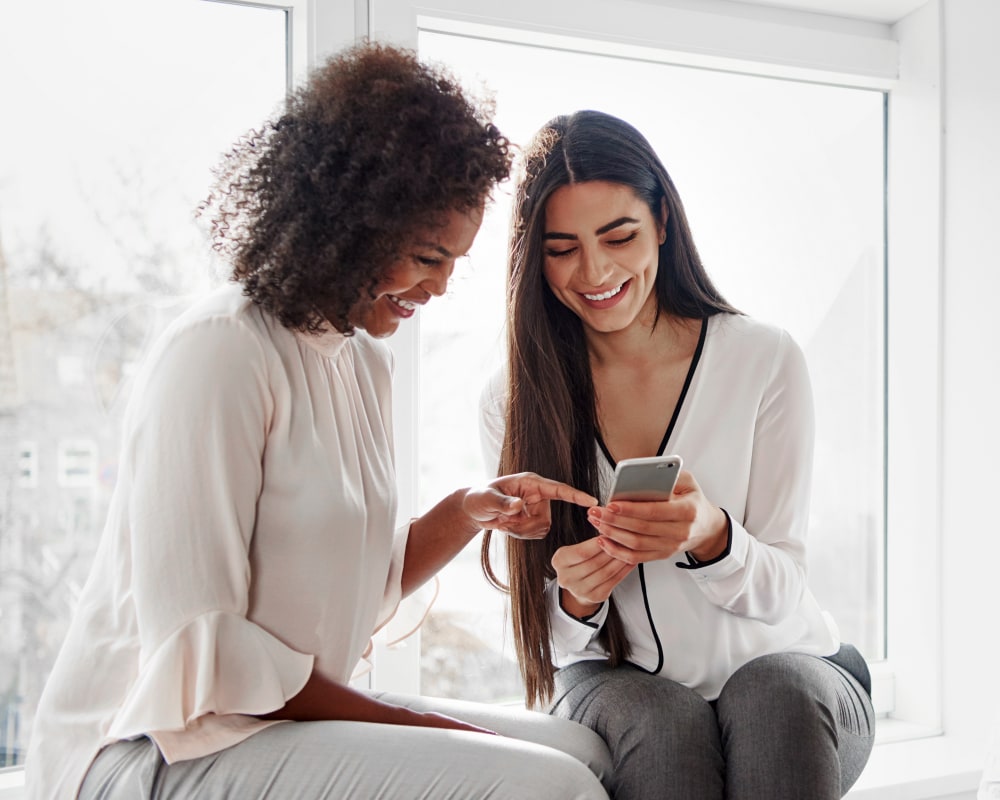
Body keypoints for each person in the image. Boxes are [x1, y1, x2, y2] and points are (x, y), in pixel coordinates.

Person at [25, 44, 613, 800]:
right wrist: (427, 727)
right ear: (350, 223)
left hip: (269, 720)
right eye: (426, 256)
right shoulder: (222, 350)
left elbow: (351, 593)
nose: (439, 287)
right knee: (552, 786)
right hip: (151, 746)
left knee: (584, 751)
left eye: (454, 263)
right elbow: (206, 651)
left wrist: (470, 511)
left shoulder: (362, 362)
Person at [479, 109, 876, 799]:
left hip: (794, 670)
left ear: (662, 220)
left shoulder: (763, 358)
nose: (595, 271)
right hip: (617, 686)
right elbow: (545, 640)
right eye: (562, 248)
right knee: (663, 724)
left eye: (619, 236)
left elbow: (785, 586)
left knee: (773, 696)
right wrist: (575, 597)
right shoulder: (513, 398)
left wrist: (713, 536)